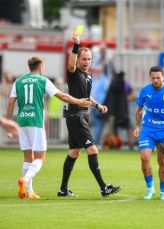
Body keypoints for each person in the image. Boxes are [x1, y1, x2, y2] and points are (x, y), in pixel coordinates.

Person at [6, 56, 92, 199]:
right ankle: (25, 180)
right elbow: (62, 96)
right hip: (36, 121)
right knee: (40, 157)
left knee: (28, 156)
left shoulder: (18, 81)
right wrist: (78, 101)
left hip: (22, 121)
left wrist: (9, 123)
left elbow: (10, 103)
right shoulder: (42, 80)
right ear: (40, 66)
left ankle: (29, 191)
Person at [57, 32, 121, 198]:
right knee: (93, 149)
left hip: (81, 115)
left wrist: (98, 105)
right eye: (84, 59)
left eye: (89, 59)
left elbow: (87, 96)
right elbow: (70, 64)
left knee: (74, 152)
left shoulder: (88, 75)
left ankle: (63, 189)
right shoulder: (74, 72)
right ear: (78, 59)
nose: (87, 62)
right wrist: (76, 45)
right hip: (76, 116)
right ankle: (103, 187)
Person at [134, 66, 164, 201]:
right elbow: (138, 110)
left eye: (158, 78)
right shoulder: (145, 90)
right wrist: (137, 126)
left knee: (162, 161)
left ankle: (163, 192)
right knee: (144, 157)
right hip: (148, 129)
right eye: (153, 78)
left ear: (163, 78)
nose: (155, 80)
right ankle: (150, 189)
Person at [90, 64, 109, 145]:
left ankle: (95, 142)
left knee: (98, 124)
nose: (96, 72)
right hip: (92, 105)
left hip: (100, 105)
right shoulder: (93, 79)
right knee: (95, 124)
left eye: (98, 71)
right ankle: (95, 141)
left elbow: (107, 94)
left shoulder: (105, 80)